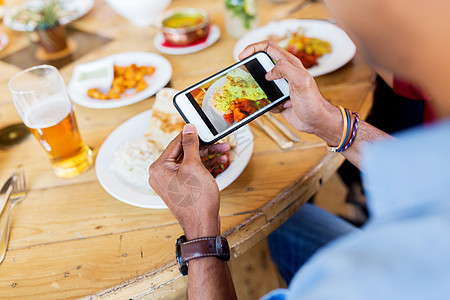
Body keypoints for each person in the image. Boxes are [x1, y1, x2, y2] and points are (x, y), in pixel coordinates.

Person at [148, 0, 450, 298]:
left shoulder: (344, 285)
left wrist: (200, 236)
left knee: (276, 220)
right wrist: (329, 123)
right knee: (286, 221)